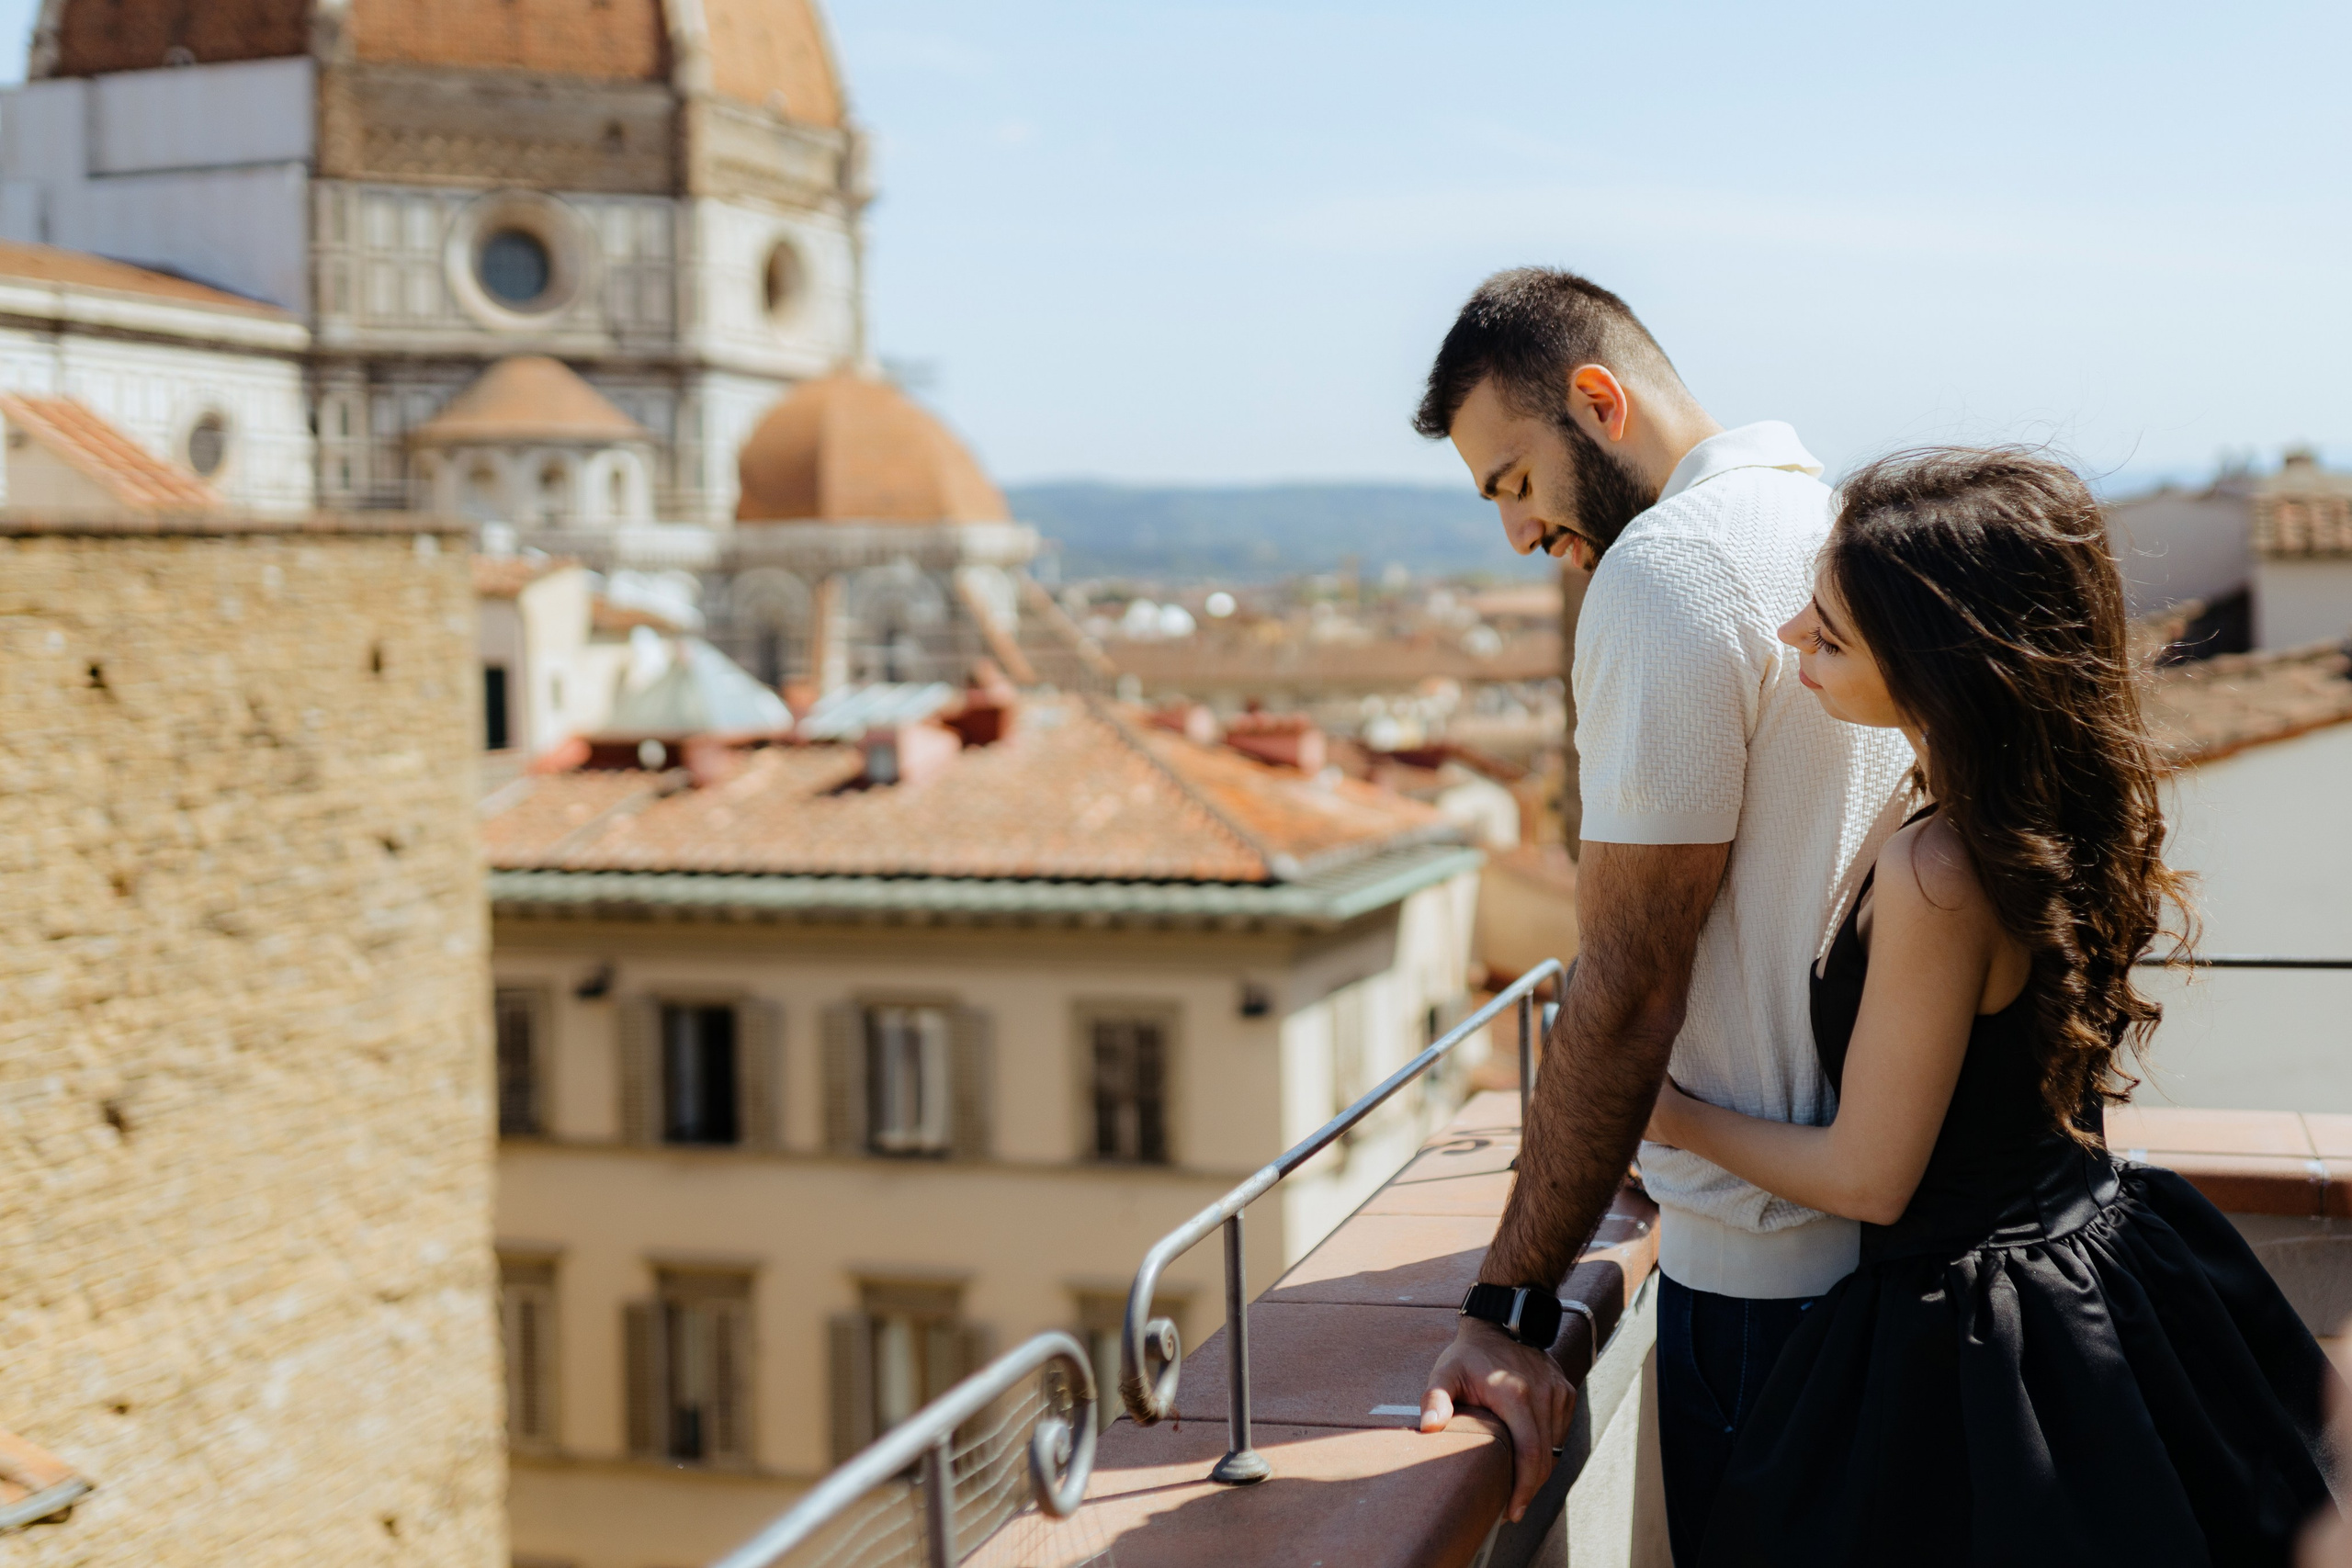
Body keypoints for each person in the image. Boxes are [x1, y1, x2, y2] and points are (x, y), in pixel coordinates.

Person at [1645, 447, 2337, 1565]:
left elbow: (1868, 1177)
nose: (1786, 636)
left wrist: (1667, 1116)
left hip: (1981, 1347)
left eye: (1830, 634)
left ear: (1936, 663)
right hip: (2107, 1269)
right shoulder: (2026, 804)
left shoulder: (1938, 870)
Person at [1408, 267, 1915, 1554]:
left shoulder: (1665, 570)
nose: (1517, 533)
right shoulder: (1839, 522)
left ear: (1598, 402)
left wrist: (1508, 1312)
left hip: (1761, 1290)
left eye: (1517, 480)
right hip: (1897, 1257)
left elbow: (1629, 981)